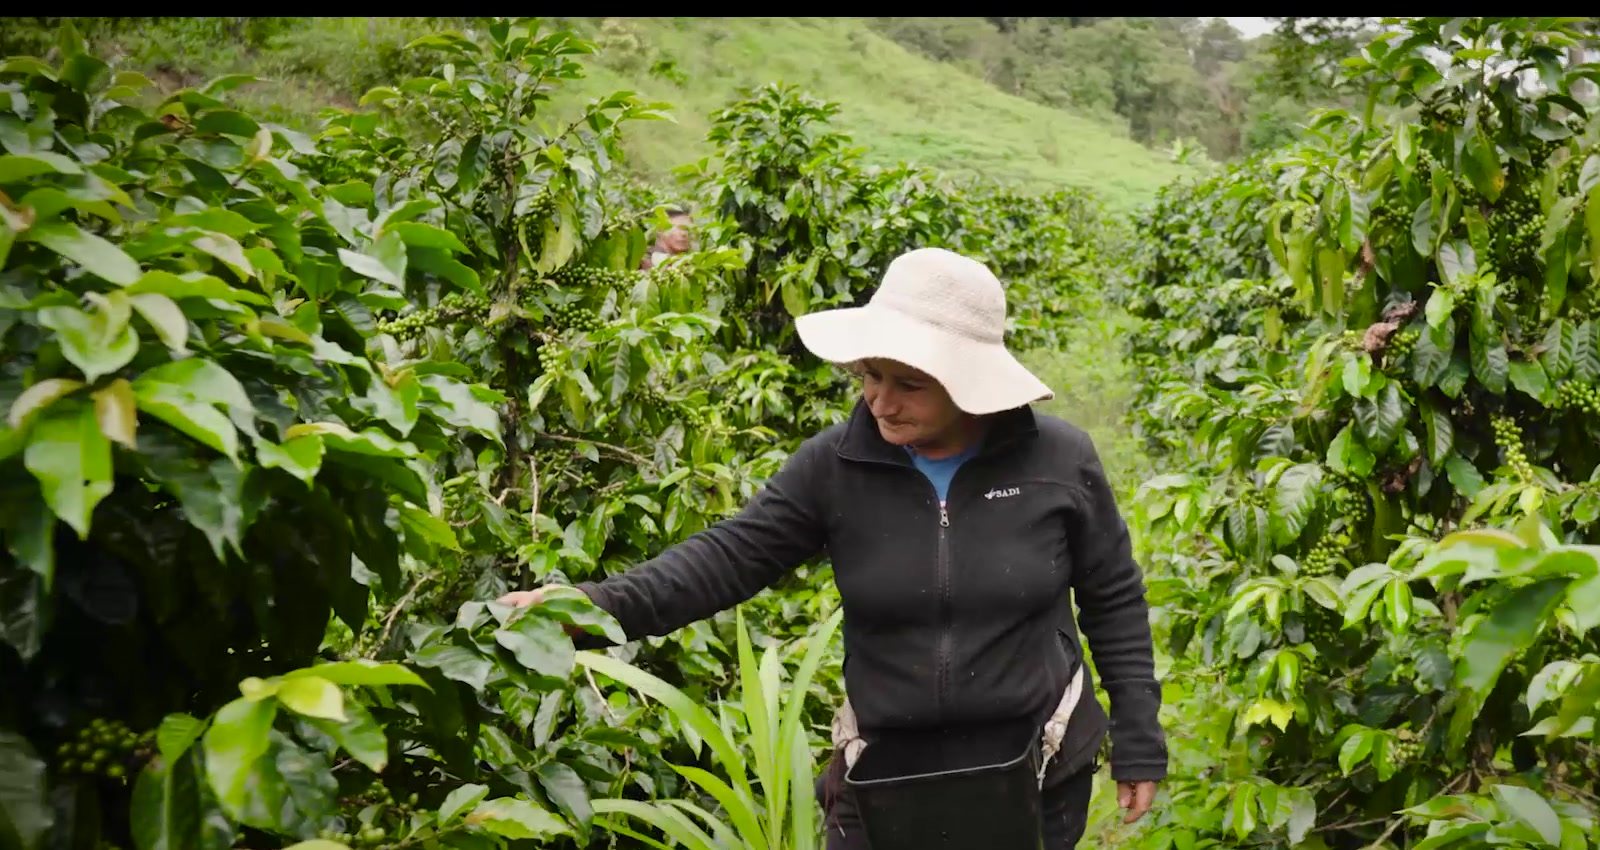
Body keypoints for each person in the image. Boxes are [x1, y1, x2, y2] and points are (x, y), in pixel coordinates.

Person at [499, 247, 1167, 848]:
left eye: (909, 385)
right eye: (871, 375)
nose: (881, 402)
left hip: (1033, 769)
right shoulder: (835, 466)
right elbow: (728, 558)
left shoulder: (1058, 462)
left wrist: (1138, 735)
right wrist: (593, 606)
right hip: (885, 774)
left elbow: (1112, 597)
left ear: (968, 383)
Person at [639, 205, 693, 270]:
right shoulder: (643, 259)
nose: (684, 234)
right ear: (660, 230)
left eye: (687, 229)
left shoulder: (690, 262)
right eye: (678, 228)